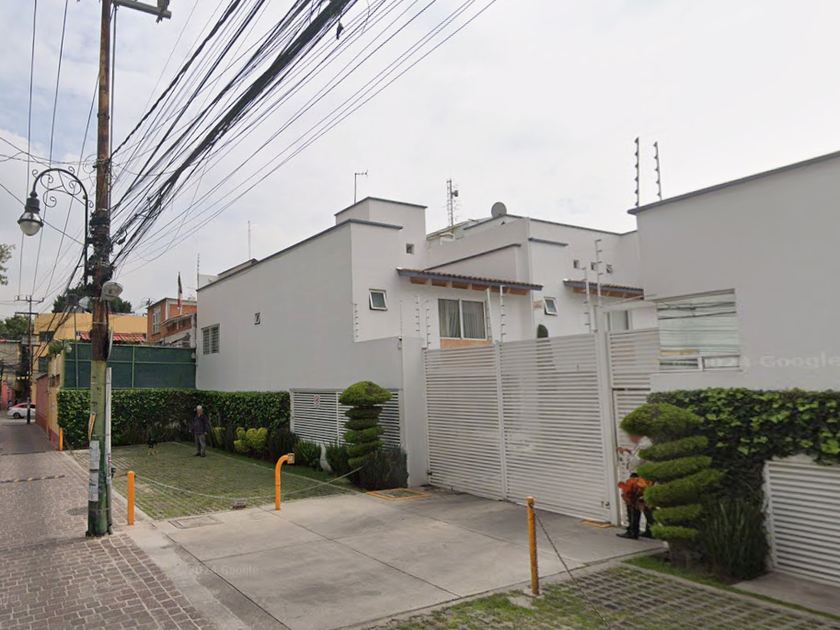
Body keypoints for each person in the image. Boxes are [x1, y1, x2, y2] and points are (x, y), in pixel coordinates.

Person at [616, 433, 654, 539]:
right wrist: (631, 452)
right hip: (647, 477)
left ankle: (633, 531)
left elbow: (635, 462)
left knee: (632, 502)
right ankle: (651, 530)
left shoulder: (644, 445)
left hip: (639, 477)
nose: (629, 437)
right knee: (646, 504)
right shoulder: (647, 443)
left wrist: (625, 454)